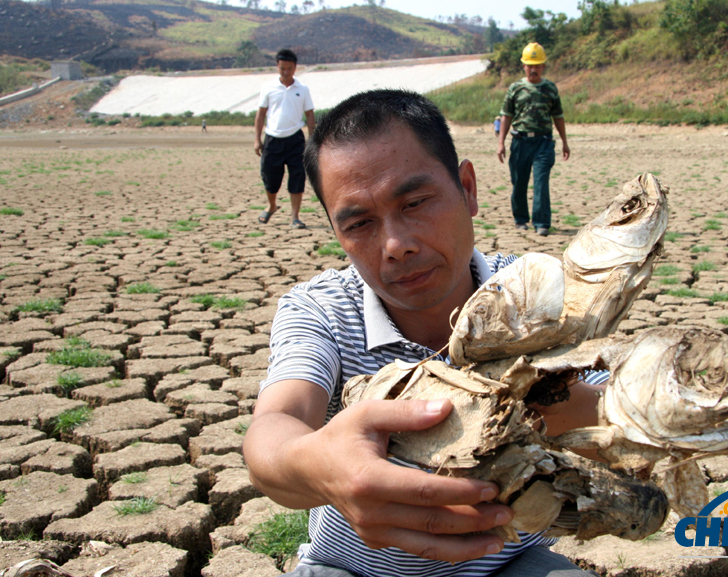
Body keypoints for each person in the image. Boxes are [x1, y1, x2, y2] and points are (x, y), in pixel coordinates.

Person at [244, 89, 604, 577]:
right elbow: (274, 431)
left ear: (468, 188)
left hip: (509, 565)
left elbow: (607, 417)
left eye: (415, 202)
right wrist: (323, 469)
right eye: (359, 224)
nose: (395, 245)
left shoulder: (531, 291)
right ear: (334, 231)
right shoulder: (322, 310)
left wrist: (520, 400)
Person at [496, 42, 570, 237]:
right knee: (519, 182)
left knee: (541, 182)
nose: (533, 69)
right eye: (530, 65)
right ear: (524, 66)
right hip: (520, 142)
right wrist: (501, 143)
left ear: (543, 66)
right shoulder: (515, 88)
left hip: (543, 143)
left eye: (537, 65)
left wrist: (564, 141)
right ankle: (520, 219)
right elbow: (506, 116)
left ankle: (541, 222)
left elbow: (558, 116)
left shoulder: (550, 89)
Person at [254, 48, 316, 229]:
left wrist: (311, 140)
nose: (286, 72)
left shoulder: (302, 89)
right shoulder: (268, 88)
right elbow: (260, 115)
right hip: (273, 138)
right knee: (270, 177)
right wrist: (257, 139)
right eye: (282, 68)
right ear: (277, 67)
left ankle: (295, 217)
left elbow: (310, 115)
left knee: (297, 177)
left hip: (295, 139)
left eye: (289, 68)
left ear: (295, 68)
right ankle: (271, 205)